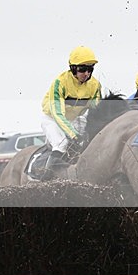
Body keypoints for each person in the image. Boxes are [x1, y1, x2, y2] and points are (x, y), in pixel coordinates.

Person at [39, 46, 102, 178]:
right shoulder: (60, 83)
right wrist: (74, 135)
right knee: (61, 144)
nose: (87, 74)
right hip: (52, 118)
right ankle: (46, 180)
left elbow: (95, 111)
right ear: (73, 68)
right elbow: (58, 114)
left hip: (74, 119)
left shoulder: (95, 85)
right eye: (82, 69)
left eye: (90, 69)